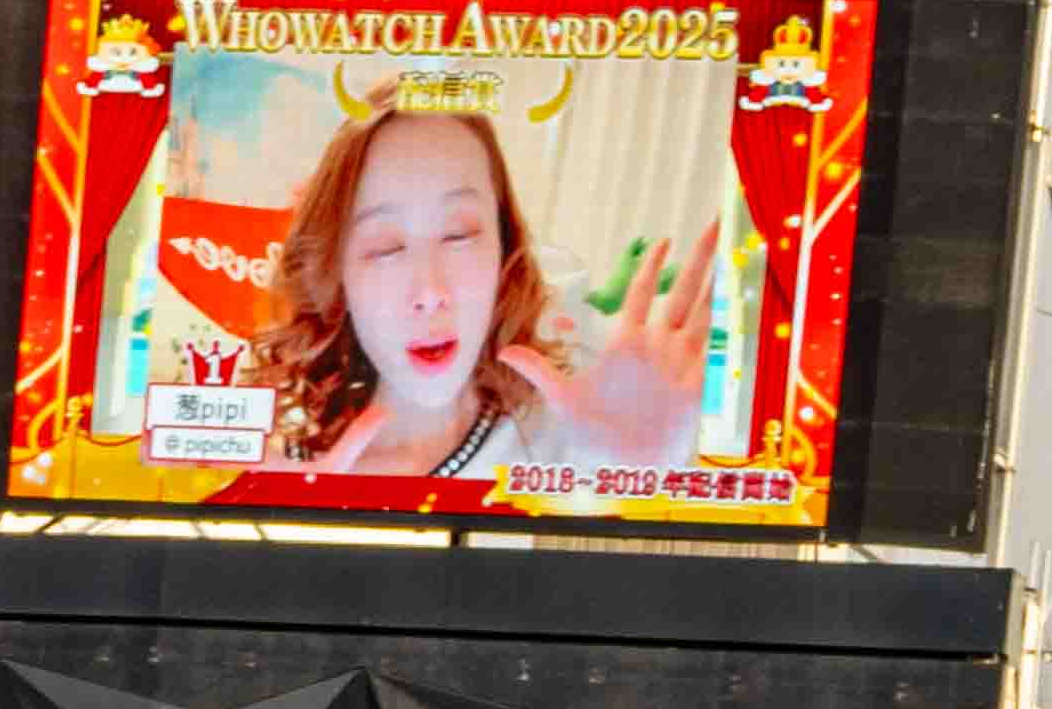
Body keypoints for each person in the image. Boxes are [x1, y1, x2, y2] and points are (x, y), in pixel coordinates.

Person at [258, 94, 727, 495]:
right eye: (385, 247)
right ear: (337, 274)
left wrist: (637, 484)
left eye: (460, 235)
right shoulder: (272, 453)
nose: (430, 292)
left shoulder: (568, 446)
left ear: (504, 249)